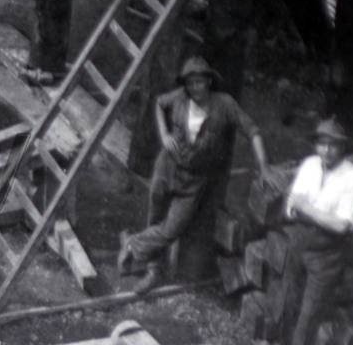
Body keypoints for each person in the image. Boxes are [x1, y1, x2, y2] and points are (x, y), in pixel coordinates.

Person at [118, 56, 276, 293]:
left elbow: (253, 131)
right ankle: (153, 272)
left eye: (199, 82)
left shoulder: (224, 105)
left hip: (194, 180)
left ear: (209, 82)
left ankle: (132, 243)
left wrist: (263, 167)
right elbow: (160, 103)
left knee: (172, 229)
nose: (194, 88)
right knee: (156, 217)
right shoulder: (180, 97)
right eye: (190, 83)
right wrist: (164, 134)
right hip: (167, 167)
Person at [269, 118, 353, 345]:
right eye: (322, 143)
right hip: (299, 243)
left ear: (343, 147)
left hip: (327, 254)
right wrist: (304, 211)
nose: (326, 150)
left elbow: (340, 226)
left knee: (309, 314)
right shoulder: (310, 164)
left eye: (333, 145)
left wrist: (306, 209)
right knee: (290, 304)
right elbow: (291, 203)